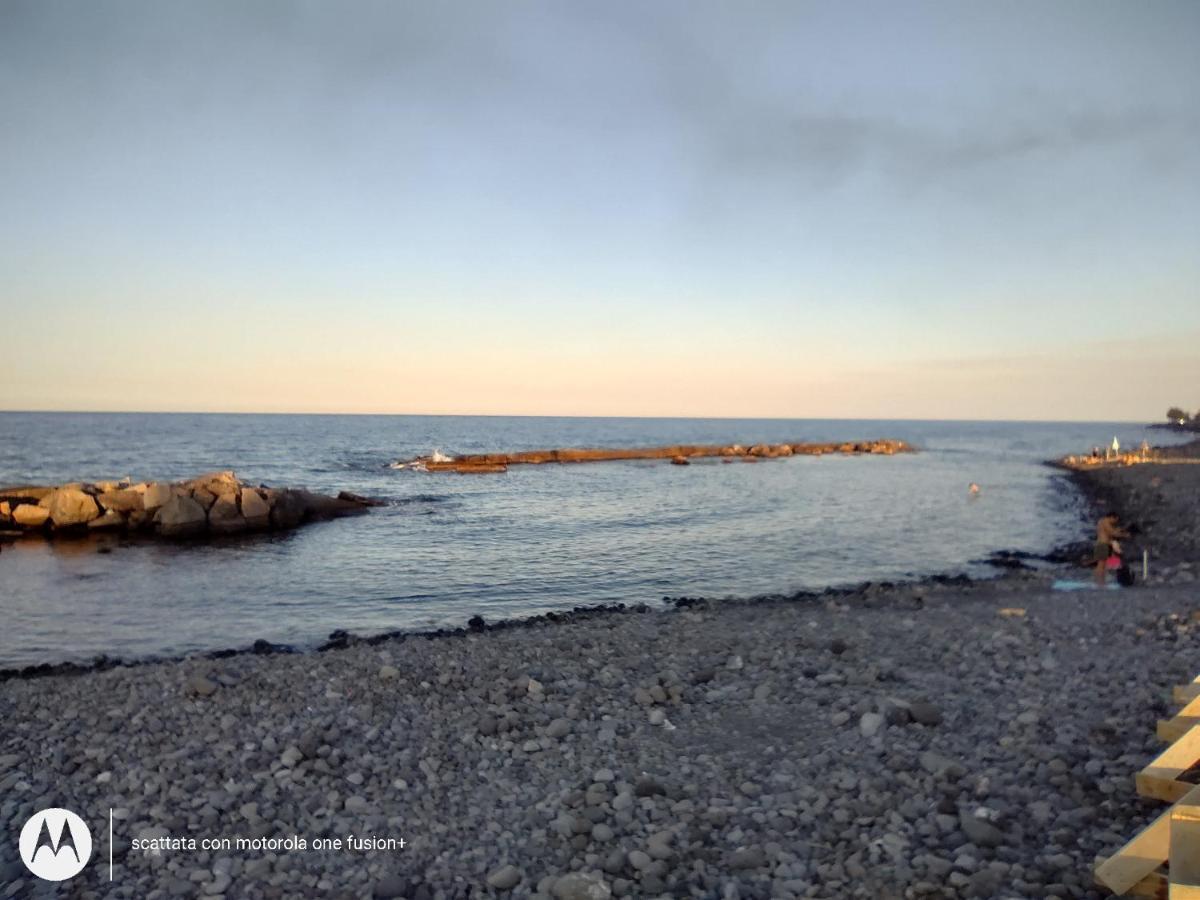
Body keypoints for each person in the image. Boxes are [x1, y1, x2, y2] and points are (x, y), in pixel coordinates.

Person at [1094, 512, 1129, 586]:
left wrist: (1121, 530)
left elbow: (1112, 532)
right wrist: (1125, 535)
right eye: (1116, 520)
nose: (1116, 522)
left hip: (1107, 544)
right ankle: (1100, 583)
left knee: (1109, 563)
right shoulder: (1104, 521)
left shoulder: (1104, 523)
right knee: (1101, 565)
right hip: (1102, 545)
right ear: (1112, 517)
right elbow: (1112, 533)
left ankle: (1104, 580)